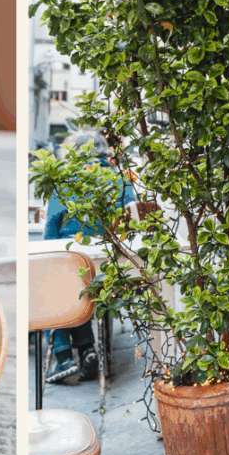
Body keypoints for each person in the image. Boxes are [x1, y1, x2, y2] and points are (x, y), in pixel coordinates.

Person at [42, 131, 135, 383]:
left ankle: (63, 357)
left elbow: (50, 233)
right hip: (113, 272)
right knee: (81, 283)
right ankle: (87, 351)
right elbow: (132, 221)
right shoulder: (121, 181)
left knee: (50, 282)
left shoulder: (64, 181)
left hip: (72, 268)